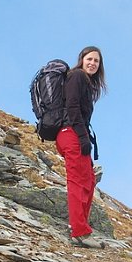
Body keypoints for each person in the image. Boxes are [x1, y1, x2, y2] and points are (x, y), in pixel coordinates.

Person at [56, 46, 107, 248]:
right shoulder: (77, 76)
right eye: (90, 59)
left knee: (88, 180)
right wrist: (82, 136)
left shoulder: (86, 82)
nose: (93, 63)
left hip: (75, 134)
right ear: (82, 59)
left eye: (96, 61)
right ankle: (79, 231)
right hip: (70, 134)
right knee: (78, 181)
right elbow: (72, 107)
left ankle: (80, 226)